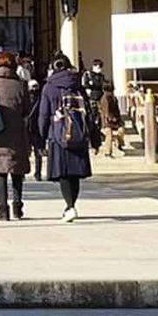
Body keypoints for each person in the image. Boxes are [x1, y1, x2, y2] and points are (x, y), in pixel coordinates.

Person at [38, 54, 92, 223]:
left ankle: (69, 206)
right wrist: (94, 137)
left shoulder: (49, 86)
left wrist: (41, 136)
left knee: (64, 173)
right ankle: (72, 204)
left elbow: (44, 114)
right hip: (78, 133)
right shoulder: (77, 84)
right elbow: (88, 111)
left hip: (59, 133)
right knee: (74, 173)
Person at [0, 49, 32, 221]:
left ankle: (3, 209)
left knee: (0, 172)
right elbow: (27, 110)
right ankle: (18, 207)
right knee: (17, 171)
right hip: (17, 132)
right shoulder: (21, 84)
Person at [99, 89, 126, 156]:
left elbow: (117, 111)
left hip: (116, 121)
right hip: (106, 122)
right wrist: (109, 118)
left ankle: (120, 144)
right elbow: (105, 112)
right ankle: (108, 152)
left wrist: (119, 120)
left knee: (121, 131)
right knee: (109, 134)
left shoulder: (114, 99)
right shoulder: (104, 99)